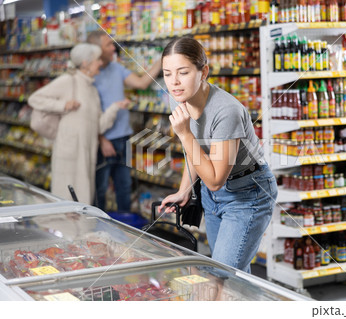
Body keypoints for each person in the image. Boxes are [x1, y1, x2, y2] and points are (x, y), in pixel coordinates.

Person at [159, 37, 278, 273]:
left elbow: (214, 180)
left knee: (221, 275)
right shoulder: (181, 101)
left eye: (182, 72)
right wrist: (184, 190)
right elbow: (197, 154)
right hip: (212, 199)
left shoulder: (226, 111)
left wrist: (184, 134)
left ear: (203, 71)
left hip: (248, 196)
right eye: (167, 73)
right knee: (235, 276)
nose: (174, 82)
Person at [28, 43, 129, 204]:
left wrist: (115, 108)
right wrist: (63, 105)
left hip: (87, 156)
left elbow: (98, 126)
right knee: (65, 202)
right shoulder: (69, 81)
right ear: (85, 63)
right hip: (68, 156)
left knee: (82, 203)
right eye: (97, 60)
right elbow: (35, 99)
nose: (100, 63)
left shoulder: (92, 90)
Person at [87, 30, 161, 213]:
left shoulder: (116, 68)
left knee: (125, 187)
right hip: (103, 142)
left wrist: (162, 60)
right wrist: (101, 139)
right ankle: (97, 234)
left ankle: (124, 233)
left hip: (123, 137)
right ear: (96, 49)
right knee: (100, 190)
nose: (114, 48)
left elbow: (142, 83)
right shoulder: (89, 75)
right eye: (108, 45)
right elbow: (87, 114)